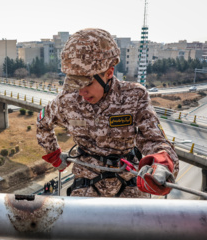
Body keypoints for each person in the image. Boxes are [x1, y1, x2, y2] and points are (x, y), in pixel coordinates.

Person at [36, 28, 179, 198]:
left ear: (109, 73)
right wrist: (55, 156)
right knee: (75, 222)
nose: (81, 92)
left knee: (141, 223)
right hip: (86, 185)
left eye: (86, 84)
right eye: (75, 84)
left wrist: (161, 165)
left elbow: (154, 140)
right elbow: (43, 123)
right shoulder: (67, 101)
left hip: (129, 181)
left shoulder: (134, 97)